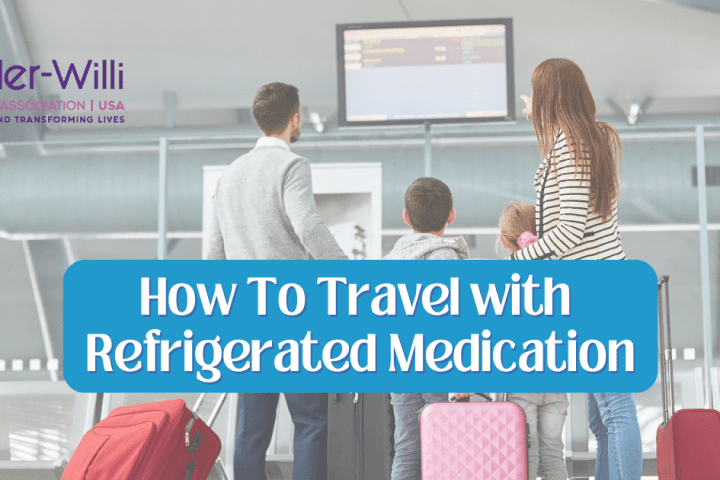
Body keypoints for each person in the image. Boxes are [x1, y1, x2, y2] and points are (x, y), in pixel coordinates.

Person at [207, 82, 348, 480]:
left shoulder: (228, 176)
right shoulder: (291, 166)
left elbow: (213, 256)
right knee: (309, 422)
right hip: (292, 315)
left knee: (252, 431)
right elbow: (308, 226)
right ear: (295, 118)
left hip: (247, 320)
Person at [513, 58, 642, 480]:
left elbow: (569, 230)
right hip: (604, 282)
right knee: (602, 417)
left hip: (594, 289)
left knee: (614, 409)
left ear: (550, 95)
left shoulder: (570, 145)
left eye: (535, 92)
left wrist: (521, 257)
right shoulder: (588, 140)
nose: (529, 103)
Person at [384, 177, 469, 480]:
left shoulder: (389, 263)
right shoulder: (446, 258)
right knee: (447, 445)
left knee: (406, 445)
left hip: (401, 362)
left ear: (406, 218)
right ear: (451, 216)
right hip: (439, 364)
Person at [497, 201, 569, 480]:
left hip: (520, 381)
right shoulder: (559, 272)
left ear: (504, 242)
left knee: (524, 454)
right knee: (553, 453)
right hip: (556, 379)